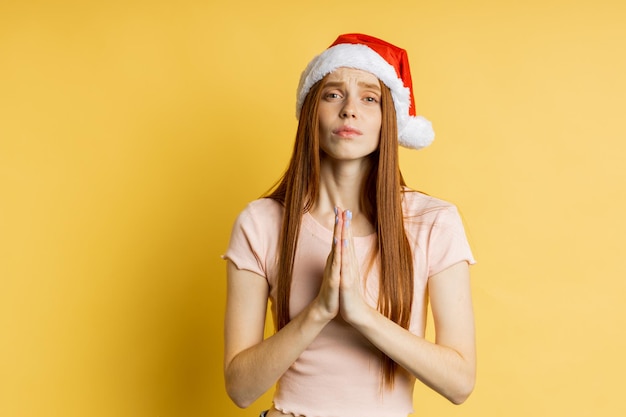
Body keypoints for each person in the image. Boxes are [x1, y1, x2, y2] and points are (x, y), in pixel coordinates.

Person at [222, 33, 476, 417]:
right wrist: (320, 310)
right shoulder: (260, 223)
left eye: (369, 98)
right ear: (311, 112)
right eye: (333, 94)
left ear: (388, 119)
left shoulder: (433, 222)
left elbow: (459, 383)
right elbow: (241, 389)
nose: (349, 110)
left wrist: (361, 314)